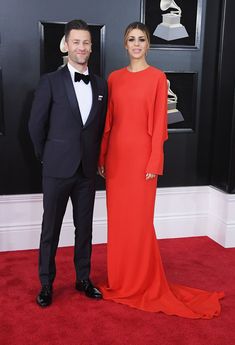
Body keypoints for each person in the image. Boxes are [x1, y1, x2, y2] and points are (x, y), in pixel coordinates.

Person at [98, 22, 224, 318]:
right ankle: (120, 281)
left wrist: (154, 162)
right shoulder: (114, 78)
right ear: (124, 44)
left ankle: (141, 281)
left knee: (139, 223)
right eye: (132, 39)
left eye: (142, 39)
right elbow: (108, 123)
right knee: (118, 223)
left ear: (148, 45)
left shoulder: (157, 78)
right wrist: (101, 158)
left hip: (143, 160)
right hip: (116, 159)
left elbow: (159, 125)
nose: (137, 44)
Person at [29, 19, 107, 307]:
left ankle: (83, 278)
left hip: (86, 171)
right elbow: (35, 126)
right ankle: (46, 284)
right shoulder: (50, 81)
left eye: (86, 42)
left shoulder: (101, 85)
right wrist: (46, 157)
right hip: (57, 168)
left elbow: (98, 129)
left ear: (91, 46)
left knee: (84, 228)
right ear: (66, 44)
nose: (82, 47)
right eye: (76, 42)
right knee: (51, 228)